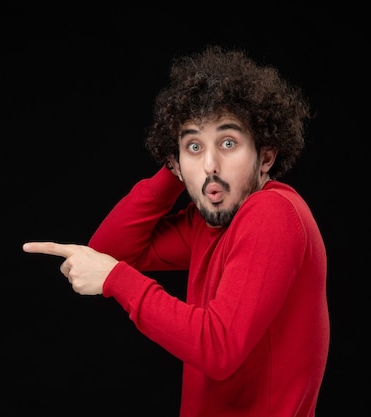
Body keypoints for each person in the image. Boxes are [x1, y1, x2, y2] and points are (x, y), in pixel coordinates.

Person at [22, 45, 329, 417]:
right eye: (194, 146)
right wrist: (177, 171)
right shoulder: (208, 223)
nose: (211, 164)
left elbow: (219, 347)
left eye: (228, 143)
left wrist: (117, 279)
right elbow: (110, 250)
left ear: (265, 157)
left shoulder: (273, 212)